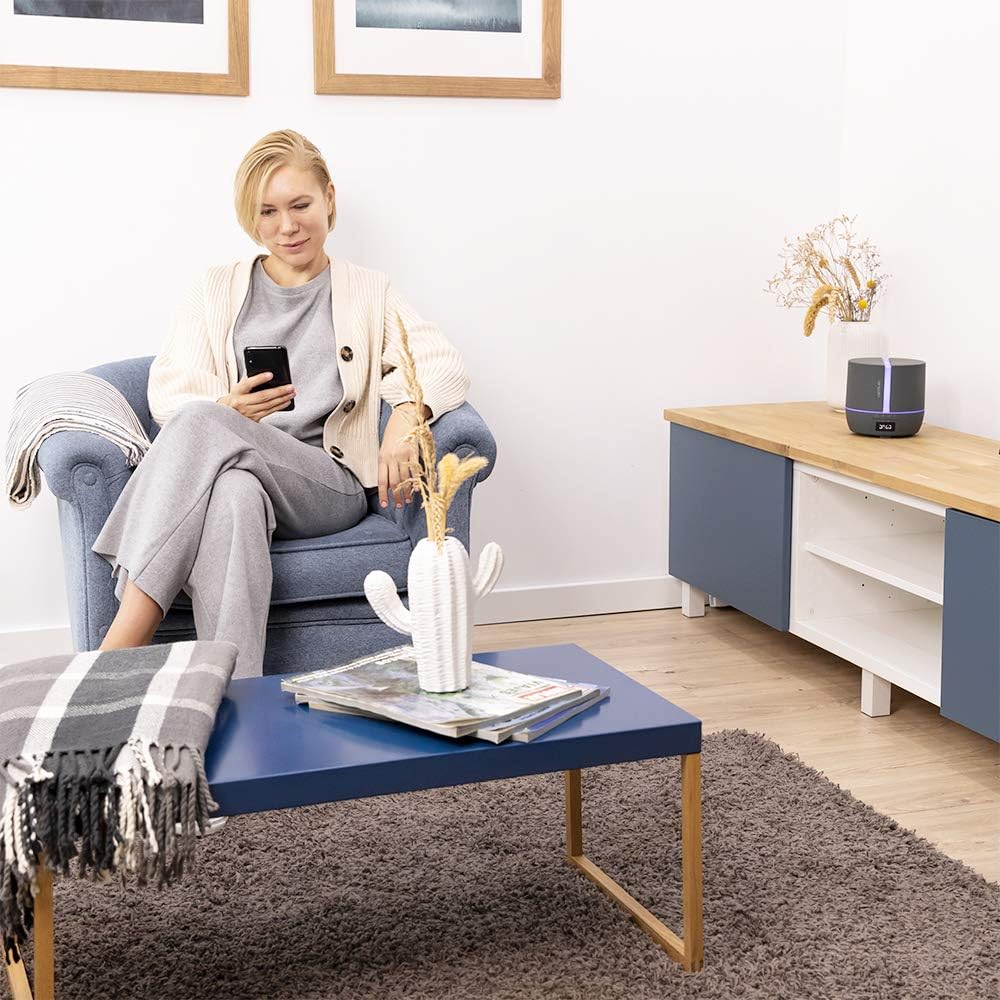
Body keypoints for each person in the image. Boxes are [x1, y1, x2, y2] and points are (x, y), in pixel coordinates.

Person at [92, 129, 470, 679]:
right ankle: (239, 697)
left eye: (301, 205)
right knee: (232, 495)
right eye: (268, 212)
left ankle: (116, 652)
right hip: (240, 471)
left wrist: (407, 416)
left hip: (327, 485)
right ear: (251, 218)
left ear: (329, 199)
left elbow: (442, 362)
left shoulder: (368, 290)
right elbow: (170, 394)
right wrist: (231, 411)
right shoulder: (214, 288)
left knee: (205, 423)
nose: (287, 226)